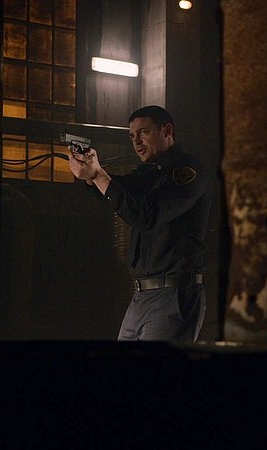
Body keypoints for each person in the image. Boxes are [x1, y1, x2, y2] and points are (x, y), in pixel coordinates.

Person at [68, 105, 212, 341]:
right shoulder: (149, 173)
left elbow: (146, 216)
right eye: (132, 136)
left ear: (167, 131)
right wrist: (90, 176)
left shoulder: (187, 172)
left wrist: (98, 176)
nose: (136, 142)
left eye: (144, 132)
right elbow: (119, 190)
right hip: (141, 296)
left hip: (172, 293)